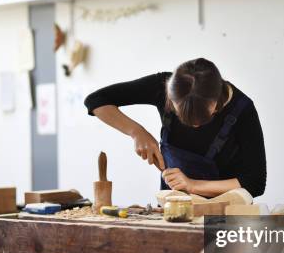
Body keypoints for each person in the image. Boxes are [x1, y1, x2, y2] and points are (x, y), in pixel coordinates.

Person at [84, 58, 266, 198]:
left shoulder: (242, 110)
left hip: (223, 215)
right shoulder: (162, 86)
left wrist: (192, 185)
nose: (194, 126)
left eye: (202, 120)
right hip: (173, 210)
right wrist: (136, 132)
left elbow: (254, 183)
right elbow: (96, 101)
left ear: (216, 101)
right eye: (182, 116)